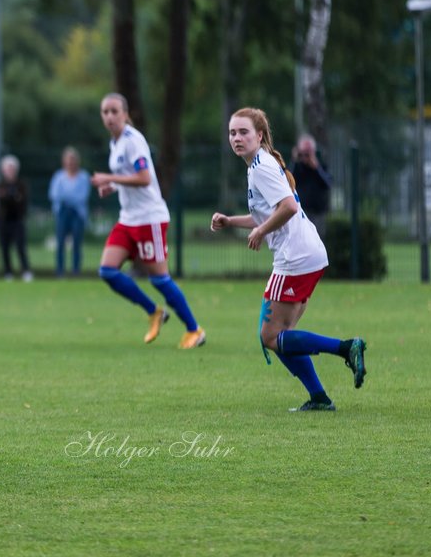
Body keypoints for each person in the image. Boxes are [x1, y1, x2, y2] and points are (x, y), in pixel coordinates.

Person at [211, 108, 368, 411]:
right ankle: (319, 397)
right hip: (306, 254)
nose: (236, 138)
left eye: (243, 132)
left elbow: (288, 208)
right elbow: (269, 213)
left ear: (259, 135)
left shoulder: (261, 167)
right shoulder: (258, 165)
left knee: (271, 336)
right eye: (232, 133)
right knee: (281, 337)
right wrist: (231, 221)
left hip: (295, 258)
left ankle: (348, 348)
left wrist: (260, 231)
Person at [90, 93, 205, 349]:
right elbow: (130, 178)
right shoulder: (115, 143)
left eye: (114, 111)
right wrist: (113, 186)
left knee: (159, 279)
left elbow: (143, 178)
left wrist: (110, 178)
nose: (109, 116)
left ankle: (194, 329)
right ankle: (154, 311)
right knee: (107, 271)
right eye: (105, 112)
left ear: (125, 114)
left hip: (149, 219)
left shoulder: (133, 141)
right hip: (128, 219)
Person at [48, 147, 90, 276]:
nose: (71, 163)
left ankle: (76, 270)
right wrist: (69, 198)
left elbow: (82, 196)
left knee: (77, 243)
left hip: (77, 212)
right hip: (62, 212)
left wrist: (67, 197)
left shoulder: (83, 177)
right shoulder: (59, 177)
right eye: (68, 160)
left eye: (73, 160)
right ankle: (60, 271)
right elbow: (54, 195)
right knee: (60, 242)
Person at [0, 154, 32, 281]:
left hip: (17, 220)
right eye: (8, 168)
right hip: (4, 221)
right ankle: (8, 272)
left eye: (12, 168)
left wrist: (10, 197)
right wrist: (13, 197)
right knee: (5, 248)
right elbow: (3, 200)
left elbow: (21, 202)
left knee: (20, 247)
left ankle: (26, 270)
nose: (10, 171)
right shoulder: (0, 184)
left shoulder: (21, 184)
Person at [291, 134, 332, 238]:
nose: (305, 157)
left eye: (308, 153)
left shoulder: (321, 166)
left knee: (317, 241)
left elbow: (328, 183)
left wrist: (316, 168)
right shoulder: (297, 167)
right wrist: (295, 161)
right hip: (300, 212)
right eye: (303, 153)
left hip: (318, 213)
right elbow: (288, 182)